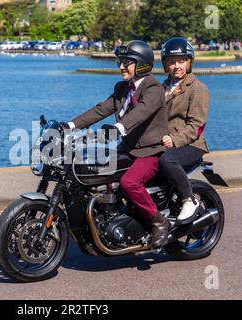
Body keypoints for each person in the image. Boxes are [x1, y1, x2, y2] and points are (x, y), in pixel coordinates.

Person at [62, 40, 170, 248]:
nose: (121, 66)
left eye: (127, 62)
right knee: (97, 169)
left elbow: (142, 111)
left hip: (150, 151)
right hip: (129, 148)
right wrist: (69, 125)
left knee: (129, 182)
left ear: (142, 64)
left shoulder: (153, 87)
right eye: (120, 62)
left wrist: (119, 128)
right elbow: (101, 109)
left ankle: (158, 221)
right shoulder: (122, 88)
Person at [159, 37, 210, 224]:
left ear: (189, 62)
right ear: (165, 65)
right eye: (172, 62)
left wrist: (174, 139)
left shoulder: (198, 88)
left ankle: (189, 199)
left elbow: (197, 126)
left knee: (167, 160)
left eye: (181, 61)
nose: (176, 66)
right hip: (165, 142)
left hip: (191, 144)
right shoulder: (161, 88)